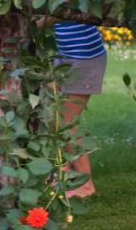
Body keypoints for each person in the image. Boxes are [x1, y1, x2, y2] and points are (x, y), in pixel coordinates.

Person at [36, 17, 108, 198]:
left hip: (85, 58)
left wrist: (31, 22)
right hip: (66, 57)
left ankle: (86, 185)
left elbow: (55, 15)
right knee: (49, 111)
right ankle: (64, 170)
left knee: (67, 124)